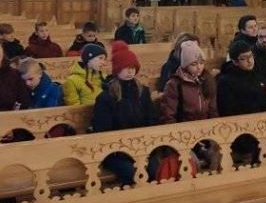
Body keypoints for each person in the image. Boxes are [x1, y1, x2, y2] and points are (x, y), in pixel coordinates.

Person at [92, 42, 156, 185]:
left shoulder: (143, 92)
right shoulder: (106, 97)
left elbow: (151, 118)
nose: (130, 71)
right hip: (116, 152)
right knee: (135, 175)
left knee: (153, 170)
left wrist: (146, 145)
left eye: (133, 67)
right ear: (117, 69)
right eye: (126, 67)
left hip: (142, 146)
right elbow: (102, 130)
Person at [160, 40, 218, 122]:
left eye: (201, 63)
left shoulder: (207, 79)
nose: (199, 67)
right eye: (194, 64)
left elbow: (213, 109)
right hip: (184, 127)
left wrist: (213, 124)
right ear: (185, 65)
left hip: (205, 126)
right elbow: (168, 115)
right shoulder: (174, 84)